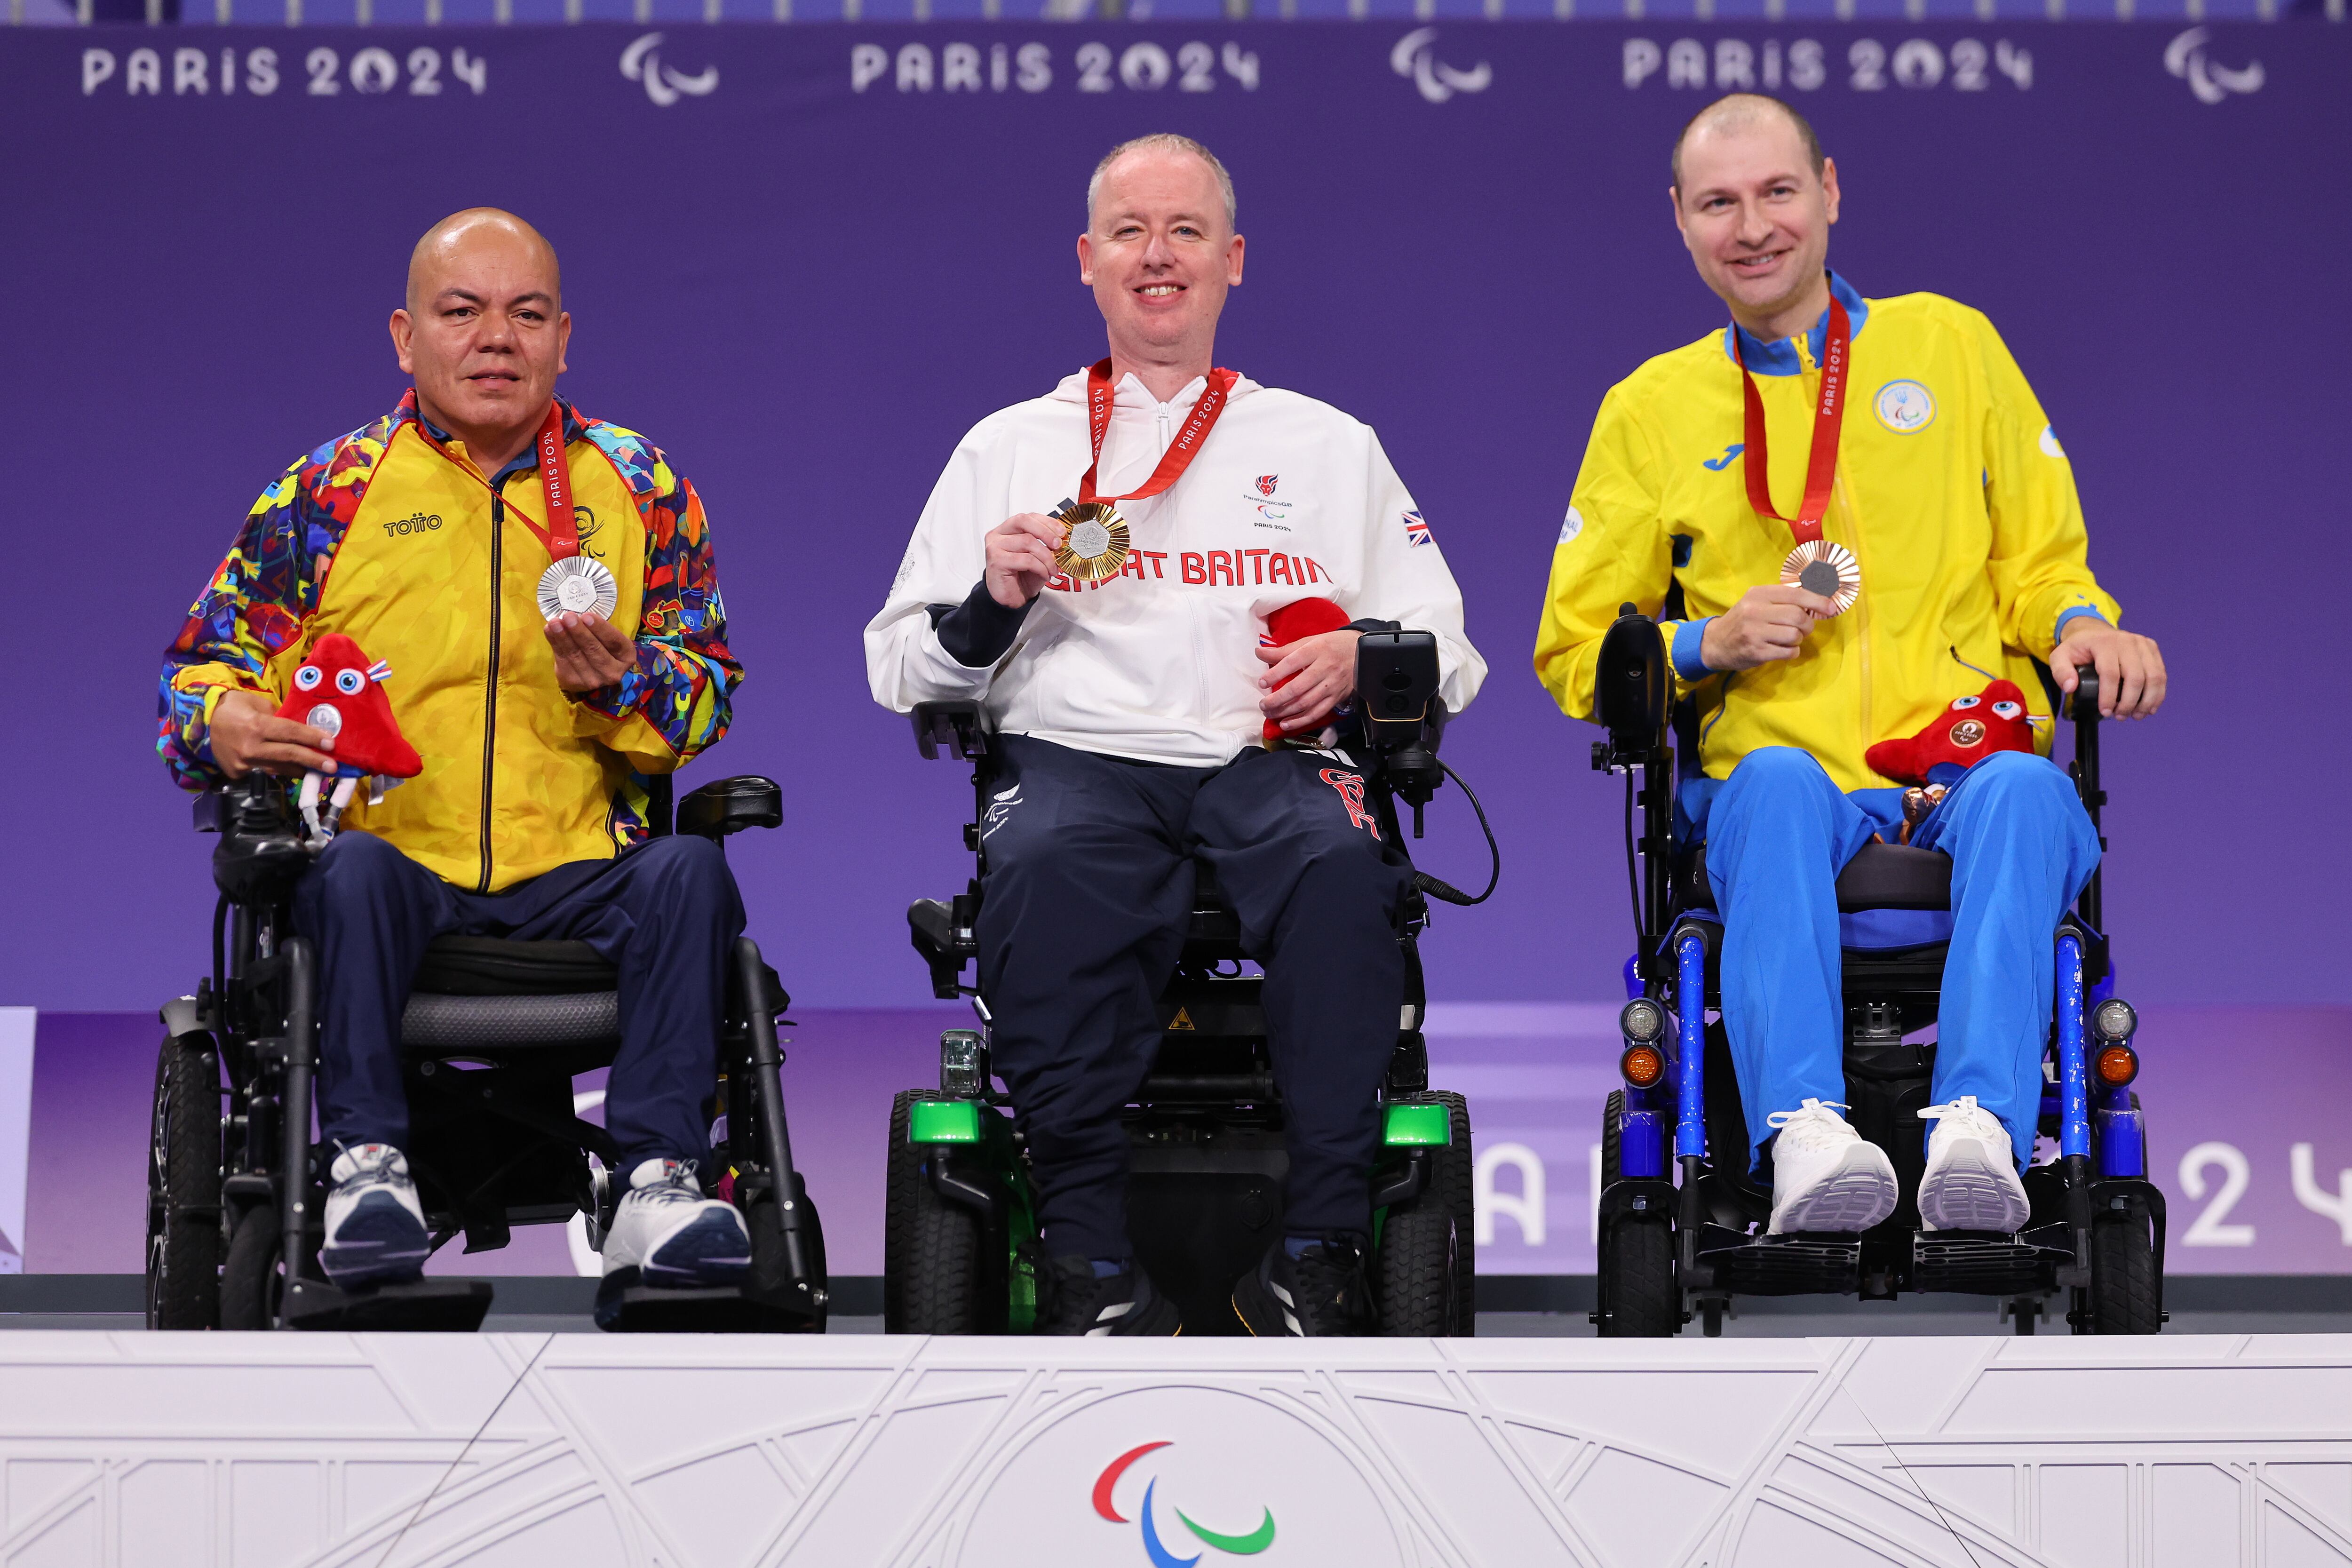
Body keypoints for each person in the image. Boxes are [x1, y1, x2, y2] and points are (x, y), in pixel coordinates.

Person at [867, 135, 1486, 1336]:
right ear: (1088, 261)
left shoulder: (1326, 444)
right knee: (1040, 865)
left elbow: (1448, 650)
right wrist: (993, 600)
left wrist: (1366, 653)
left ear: (1233, 259)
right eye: (1132, 233)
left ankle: (1313, 1253)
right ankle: (1089, 1260)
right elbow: (901, 665)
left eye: (1187, 231)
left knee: (1348, 870)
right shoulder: (1008, 446)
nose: (1160, 256)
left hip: (1272, 758)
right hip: (1074, 759)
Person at [1534, 96, 2166, 1236]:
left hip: (1961, 777)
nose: (1752, 226)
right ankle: (1805, 1135)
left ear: (1829, 189)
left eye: (1776, 192)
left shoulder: (1952, 347)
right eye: (1718, 202)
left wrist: (2084, 626)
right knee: (1770, 780)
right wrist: (1701, 642)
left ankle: (1977, 1121)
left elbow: (2042, 568)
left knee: (2031, 785)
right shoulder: (1650, 409)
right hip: (1780, 789)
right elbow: (1580, 651)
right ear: (1679, 221)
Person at [159, 209, 755, 1296]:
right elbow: (196, 670)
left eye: (525, 314)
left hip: (580, 873)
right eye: (462, 311)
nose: (496, 338)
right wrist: (224, 720)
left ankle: (657, 1181)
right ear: (405, 335)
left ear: (563, 337)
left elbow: (708, 693)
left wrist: (625, 682)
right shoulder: (329, 492)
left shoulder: (640, 484)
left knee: (691, 871)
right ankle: (367, 1164)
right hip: (393, 873)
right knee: (347, 871)